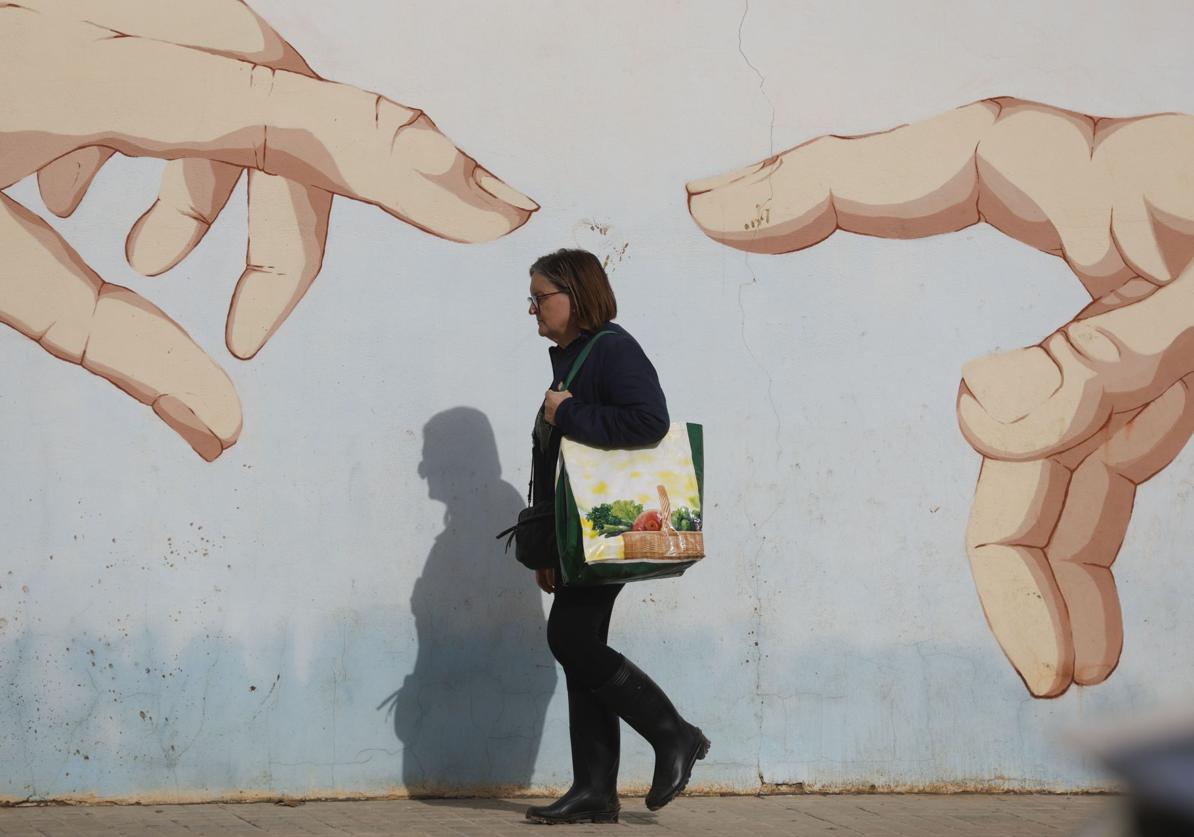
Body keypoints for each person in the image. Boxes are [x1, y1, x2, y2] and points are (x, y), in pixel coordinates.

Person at [521, 249, 710, 825]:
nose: (531, 309)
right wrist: (550, 547)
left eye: (539, 297)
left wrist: (570, 412)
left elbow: (648, 420)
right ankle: (595, 789)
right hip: (578, 537)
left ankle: (674, 733)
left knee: (572, 641)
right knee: (579, 648)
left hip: (608, 532)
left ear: (574, 296)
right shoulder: (574, 357)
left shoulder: (613, 349)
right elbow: (560, 461)